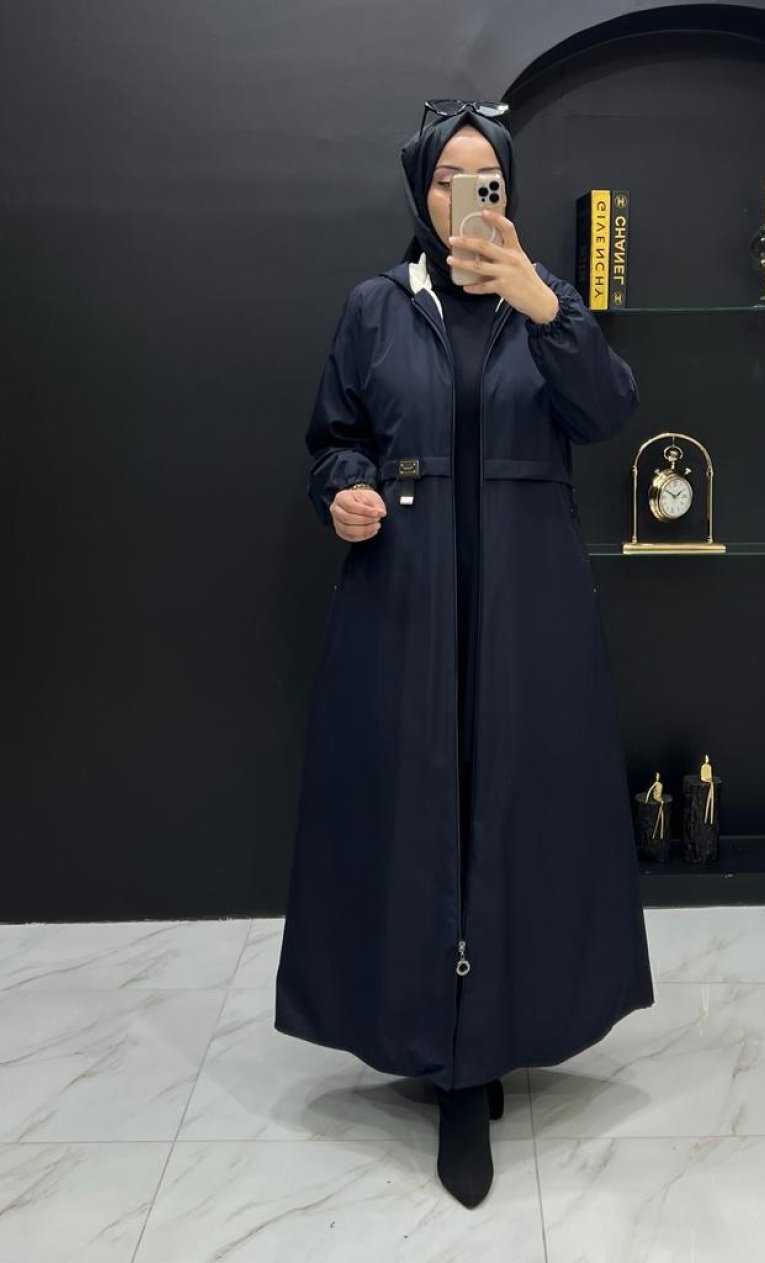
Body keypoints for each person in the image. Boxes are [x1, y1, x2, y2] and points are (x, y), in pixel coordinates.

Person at [275, 101, 656, 1209]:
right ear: (422, 192)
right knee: (418, 806)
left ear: (508, 192)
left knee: (516, 804)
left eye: (486, 175)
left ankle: (492, 1039)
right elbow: (334, 437)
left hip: (528, 602)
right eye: (449, 175)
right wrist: (345, 490)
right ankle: (438, 1055)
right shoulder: (376, 307)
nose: (467, 193)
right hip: (404, 594)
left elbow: (608, 412)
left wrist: (542, 300)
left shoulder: (548, 305)